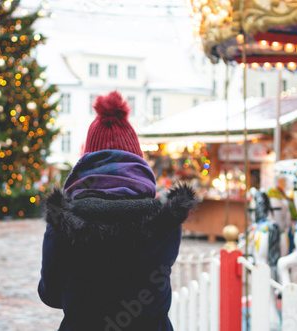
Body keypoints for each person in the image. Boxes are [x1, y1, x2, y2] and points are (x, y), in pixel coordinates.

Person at [38, 91, 197, 330]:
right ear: (137, 160)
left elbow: (50, 294)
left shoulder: (64, 219)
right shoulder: (166, 217)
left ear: (85, 162)